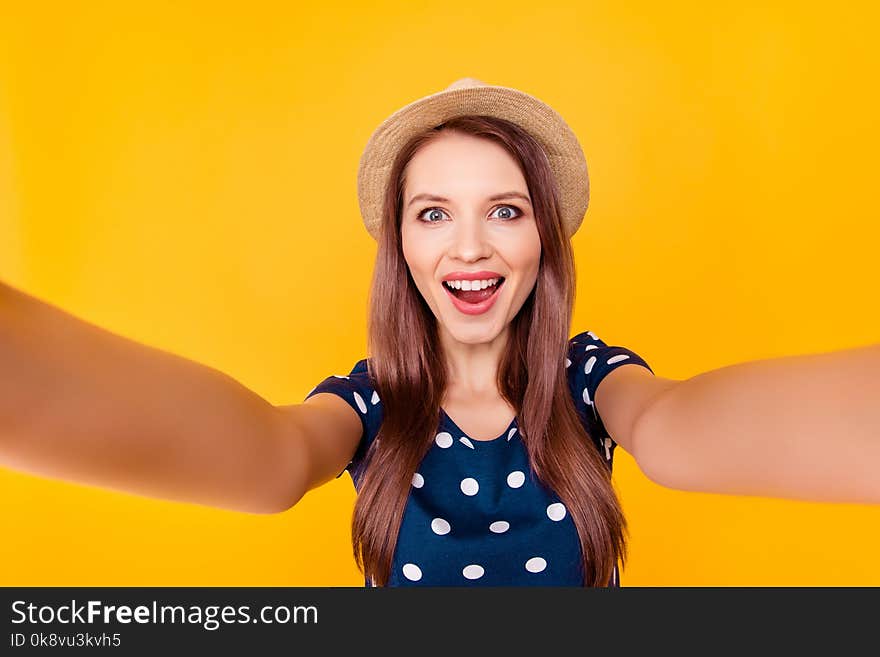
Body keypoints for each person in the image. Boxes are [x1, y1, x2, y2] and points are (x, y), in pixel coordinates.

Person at [0, 78, 877, 588]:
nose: (469, 246)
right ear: (401, 245)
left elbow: (676, 429)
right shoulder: (371, 401)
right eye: (432, 213)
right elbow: (267, 455)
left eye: (504, 209)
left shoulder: (588, 379)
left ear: (543, 241)